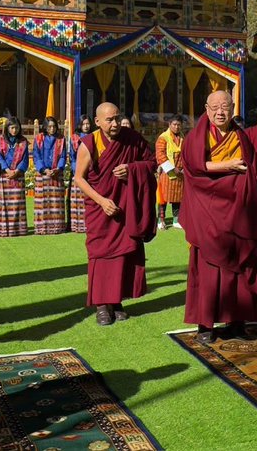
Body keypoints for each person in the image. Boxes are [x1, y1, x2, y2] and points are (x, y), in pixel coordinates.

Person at [181, 90, 257, 343]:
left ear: (233, 109)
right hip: (208, 212)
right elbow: (193, 167)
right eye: (215, 107)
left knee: (241, 268)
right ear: (206, 109)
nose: (220, 112)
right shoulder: (197, 136)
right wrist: (226, 166)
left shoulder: (241, 136)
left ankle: (237, 322)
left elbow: (253, 169)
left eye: (225, 107)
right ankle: (205, 325)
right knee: (207, 269)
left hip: (238, 213)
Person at [73, 103, 157, 325]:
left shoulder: (132, 138)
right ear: (97, 122)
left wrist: (132, 169)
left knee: (125, 254)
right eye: (109, 120)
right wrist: (101, 201)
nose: (115, 124)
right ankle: (102, 305)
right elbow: (79, 178)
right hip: (102, 209)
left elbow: (150, 163)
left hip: (125, 206)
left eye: (117, 118)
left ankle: (117, 301)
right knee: (101, 255)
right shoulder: (89, 144)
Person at [32, 117, 68, 235]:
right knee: (43, 202)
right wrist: (44, 169)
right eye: (49, 126)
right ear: (45, 127)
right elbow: (36, 156)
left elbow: (63, 156)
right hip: (43, 173)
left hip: (56, 173)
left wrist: (58, 168)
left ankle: (57, 227)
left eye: (54, 126)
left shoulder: (61, 139)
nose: (52, 129)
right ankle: (41, 227)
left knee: (56, 202)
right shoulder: (38, 139)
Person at [0, 118, 30, 237]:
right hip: (5, 175)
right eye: (12, 127)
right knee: (4, 204)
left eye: (16, 127)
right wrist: (7, 169)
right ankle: (3, 229)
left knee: (17, 204)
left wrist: (17, 170)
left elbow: (25, 159)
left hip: (18, 176)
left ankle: (18, 229)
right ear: (7, 128)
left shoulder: (23, 141)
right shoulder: (0, 141)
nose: (14, 130)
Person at [155, 115, 185, 230]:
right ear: (169, 125)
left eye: (179, 125)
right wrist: (173, 169)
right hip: (167, 173)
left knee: (178, 198)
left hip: (180, 173)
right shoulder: (163, 138)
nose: (177, 127)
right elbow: (160, 155)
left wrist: (183, 168)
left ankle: (176, 220)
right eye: (174, 124)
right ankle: (161, 220)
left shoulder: (182, 137)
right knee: (163, 198)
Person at [68, 119, 91, 233]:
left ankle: (90, 225)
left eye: (88, 124)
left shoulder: (94, 137)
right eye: (83, 124)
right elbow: (72, 157)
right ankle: (77, 225)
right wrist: (77, 170)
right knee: (77, 201)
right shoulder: (74, 138)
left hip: (91, 173)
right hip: (77, 172)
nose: (86, 126)